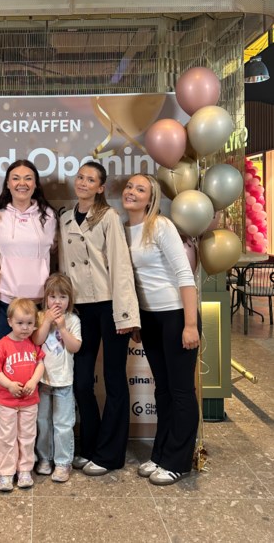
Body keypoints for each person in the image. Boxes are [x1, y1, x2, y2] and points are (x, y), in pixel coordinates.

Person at [59, 160, 140, 476]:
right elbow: (64, 268)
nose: (83, 183)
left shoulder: (109, 217)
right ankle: (90, 446)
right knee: (81, 382)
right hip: (81, 308)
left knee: (114, 379)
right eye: (80, 177)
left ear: (100, 187)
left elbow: (121, 265)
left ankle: (111, 455)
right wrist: (64, 308)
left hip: (109, 305)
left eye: (90, 180)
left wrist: (126, 314)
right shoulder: (66, 218)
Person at [122, 173, 200, 486]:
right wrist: (136, 320)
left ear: (150, 198)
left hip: (176, 316)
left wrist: (190, 324)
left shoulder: (161, 225)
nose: (131, 191)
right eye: (129, 186)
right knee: (163, 391)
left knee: (181, 392)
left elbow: (185, 274)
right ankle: (161, 454)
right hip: (149, 319)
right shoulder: (124, 230)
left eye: (140, 189)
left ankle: (178, 462)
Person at [0, 159, 57, 469]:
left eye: (28, 178)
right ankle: (0, 447)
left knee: (36, 375)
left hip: (39, 307)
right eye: (15, 178)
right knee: (2, 375)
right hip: (4, 304)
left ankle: (35, 450)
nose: (22, 183)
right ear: (7, 183)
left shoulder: (48, 216)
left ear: (36, 183)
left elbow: (53, 255)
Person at [0, 298, 45, 492]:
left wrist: (33, 381)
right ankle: (6, 473)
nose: (25, 328)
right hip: (7, 402)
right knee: (6, 437)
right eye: (20, 323)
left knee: (27, 436)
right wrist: (9, 385)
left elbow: (40, 364)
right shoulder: (2, 345)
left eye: (29, 323)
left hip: (29, 401)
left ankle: (25, 470)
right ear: (10, 321)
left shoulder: (33, 343)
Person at [32, 273, 82, 483]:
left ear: (70, 299)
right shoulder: (40, 316)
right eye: (52, 297)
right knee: (42, 421)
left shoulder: (73, 320)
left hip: (64, 381)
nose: (57, 302)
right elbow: (37, 340)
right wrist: (47, 322)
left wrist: (62, 327)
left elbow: (75, 347)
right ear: (45, 298)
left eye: (63, 297)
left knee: (63, 424)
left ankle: (63, 462)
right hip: (43, 381)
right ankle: (45, 458)